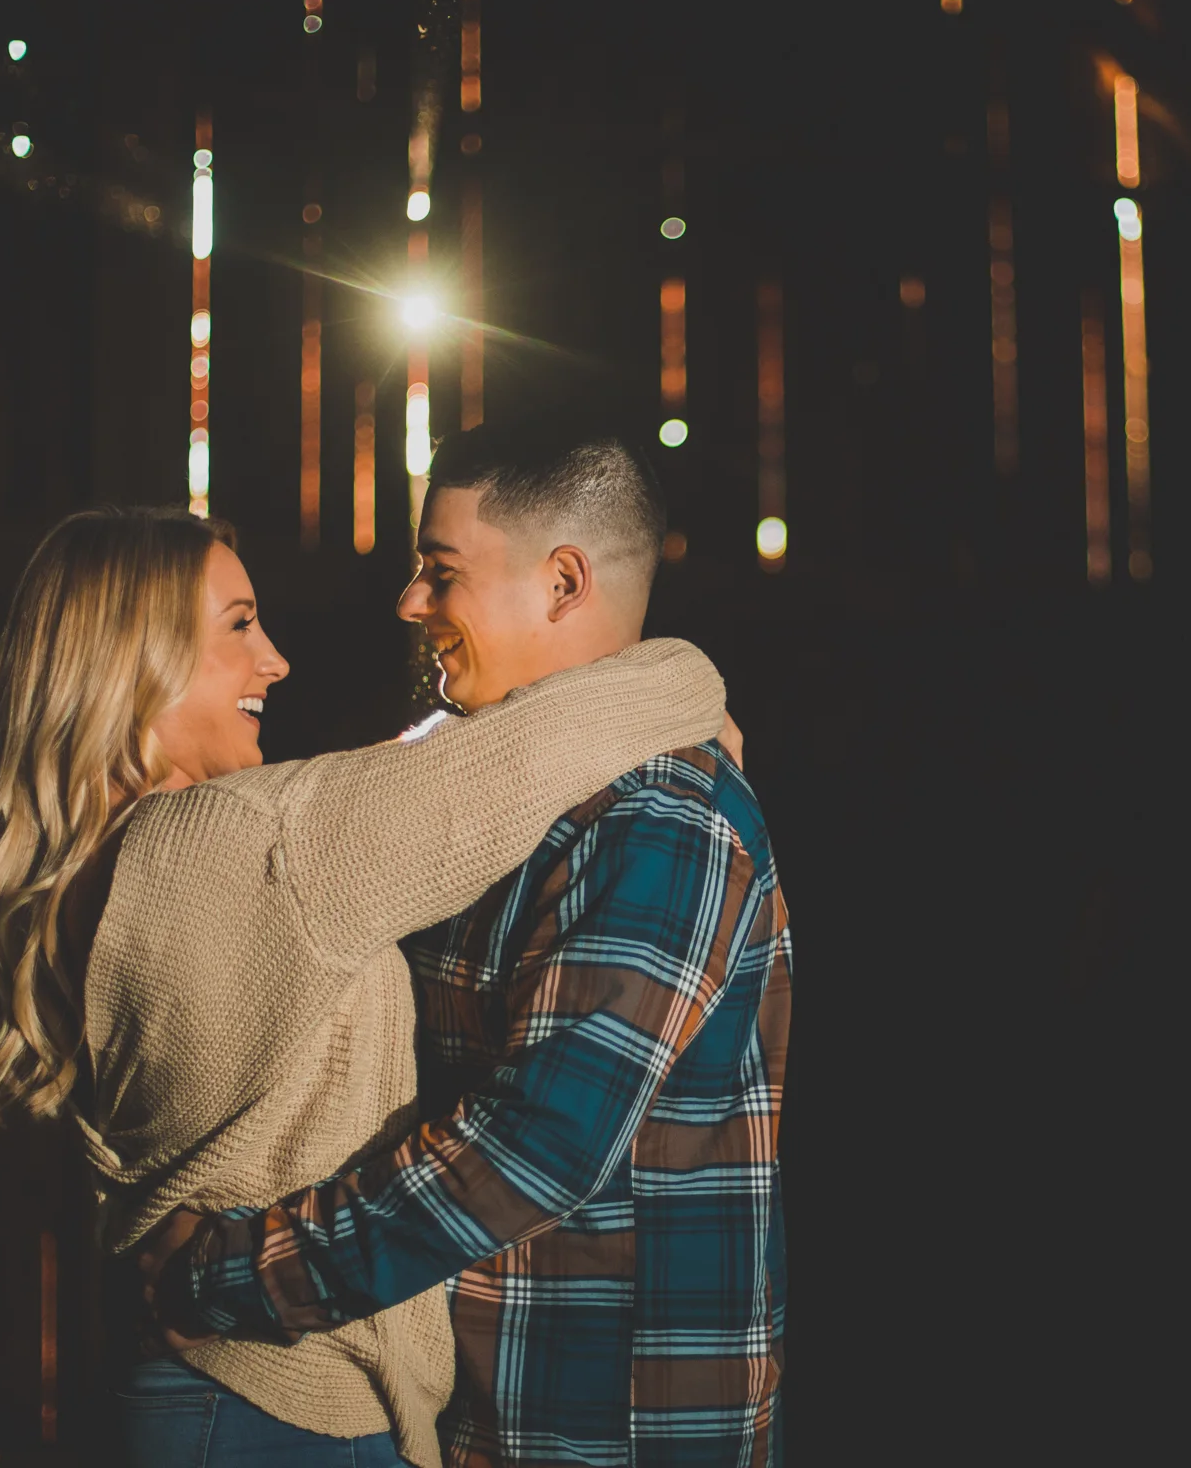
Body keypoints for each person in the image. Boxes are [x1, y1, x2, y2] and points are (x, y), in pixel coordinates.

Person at [0, 505, 729, 1466]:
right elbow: (501, 766)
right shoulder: (231, 843)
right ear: (133, 655)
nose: (274, 660)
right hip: (282, 1409)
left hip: (219, 1403)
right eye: (238, 624)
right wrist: (684, 687)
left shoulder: (105, 865)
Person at [141, 415, 793, 1468]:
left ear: (563, 583)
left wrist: (237, 1275)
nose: (410, 602)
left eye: (440, 573)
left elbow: (534, 1148)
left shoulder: (658, 824)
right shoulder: (486, 792)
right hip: (472, 1416)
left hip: (602, 1427)